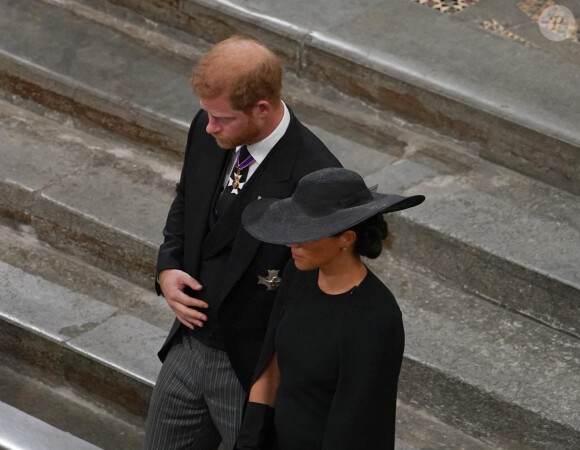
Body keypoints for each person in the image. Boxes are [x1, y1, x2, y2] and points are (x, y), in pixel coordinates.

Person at [143, 36, 341, 449]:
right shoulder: (208, 128)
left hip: (249, 368)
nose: (209, 126)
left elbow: (314, 293)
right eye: (207, 115)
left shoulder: (314, 176)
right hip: (187, 344)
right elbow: (187, 200)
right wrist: (169, 265)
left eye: (223, 118)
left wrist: (269, 383)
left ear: (262, 108)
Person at [236, 167, 425, 450]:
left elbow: (359, 423)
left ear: (346, 239)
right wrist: (250, 442)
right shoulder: (300, 273)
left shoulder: (375, 318)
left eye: (306, 233)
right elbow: (271, 365)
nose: (291, 243)